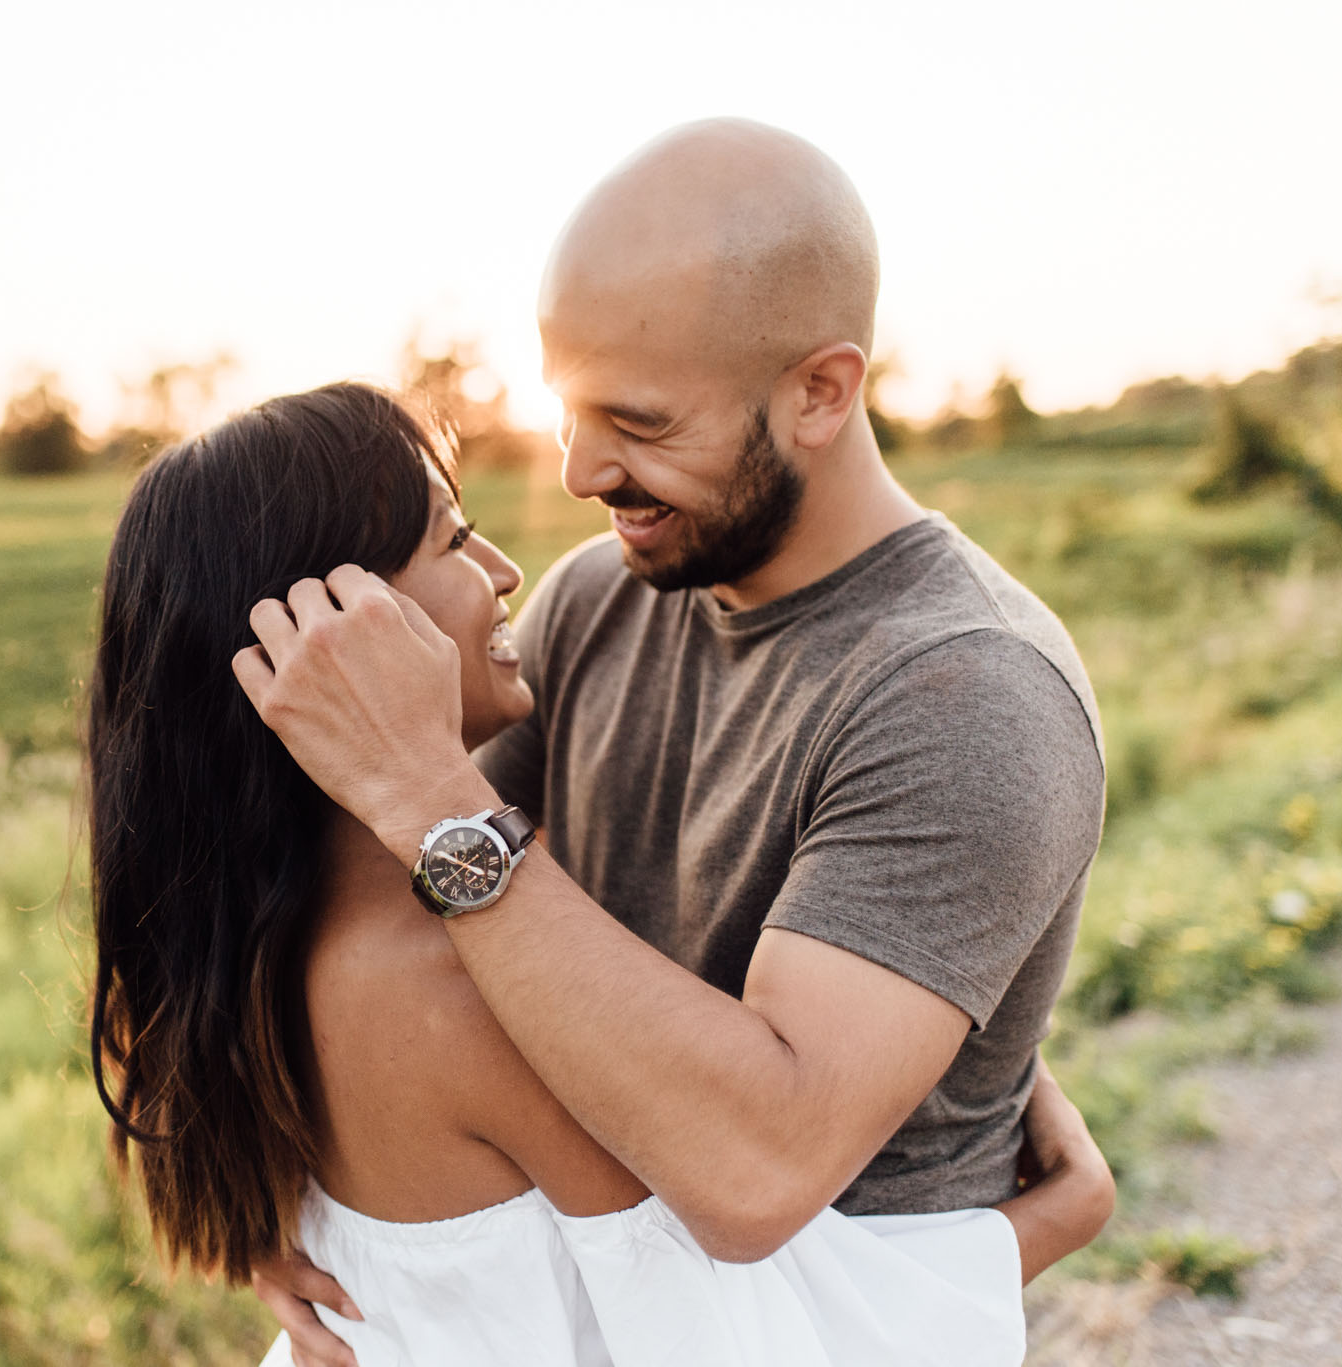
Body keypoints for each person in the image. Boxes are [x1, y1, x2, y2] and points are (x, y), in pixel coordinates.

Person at [235, 122, 1112, 1365]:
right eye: (566, 408)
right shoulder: (605, 597)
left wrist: (431, 798)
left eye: (637, 422)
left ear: (821, 390)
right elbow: (386, 914)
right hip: (581, 1304)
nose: (584, 467)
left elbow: (753, 1175)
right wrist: (275, 1173)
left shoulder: (966, 694)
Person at [90, 382, 1114, 1367]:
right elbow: (739, 1335)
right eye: (452, 538)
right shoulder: (476, 997)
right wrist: (1046, 1220)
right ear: (335, 628)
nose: (502, 571)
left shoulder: (265, 943)